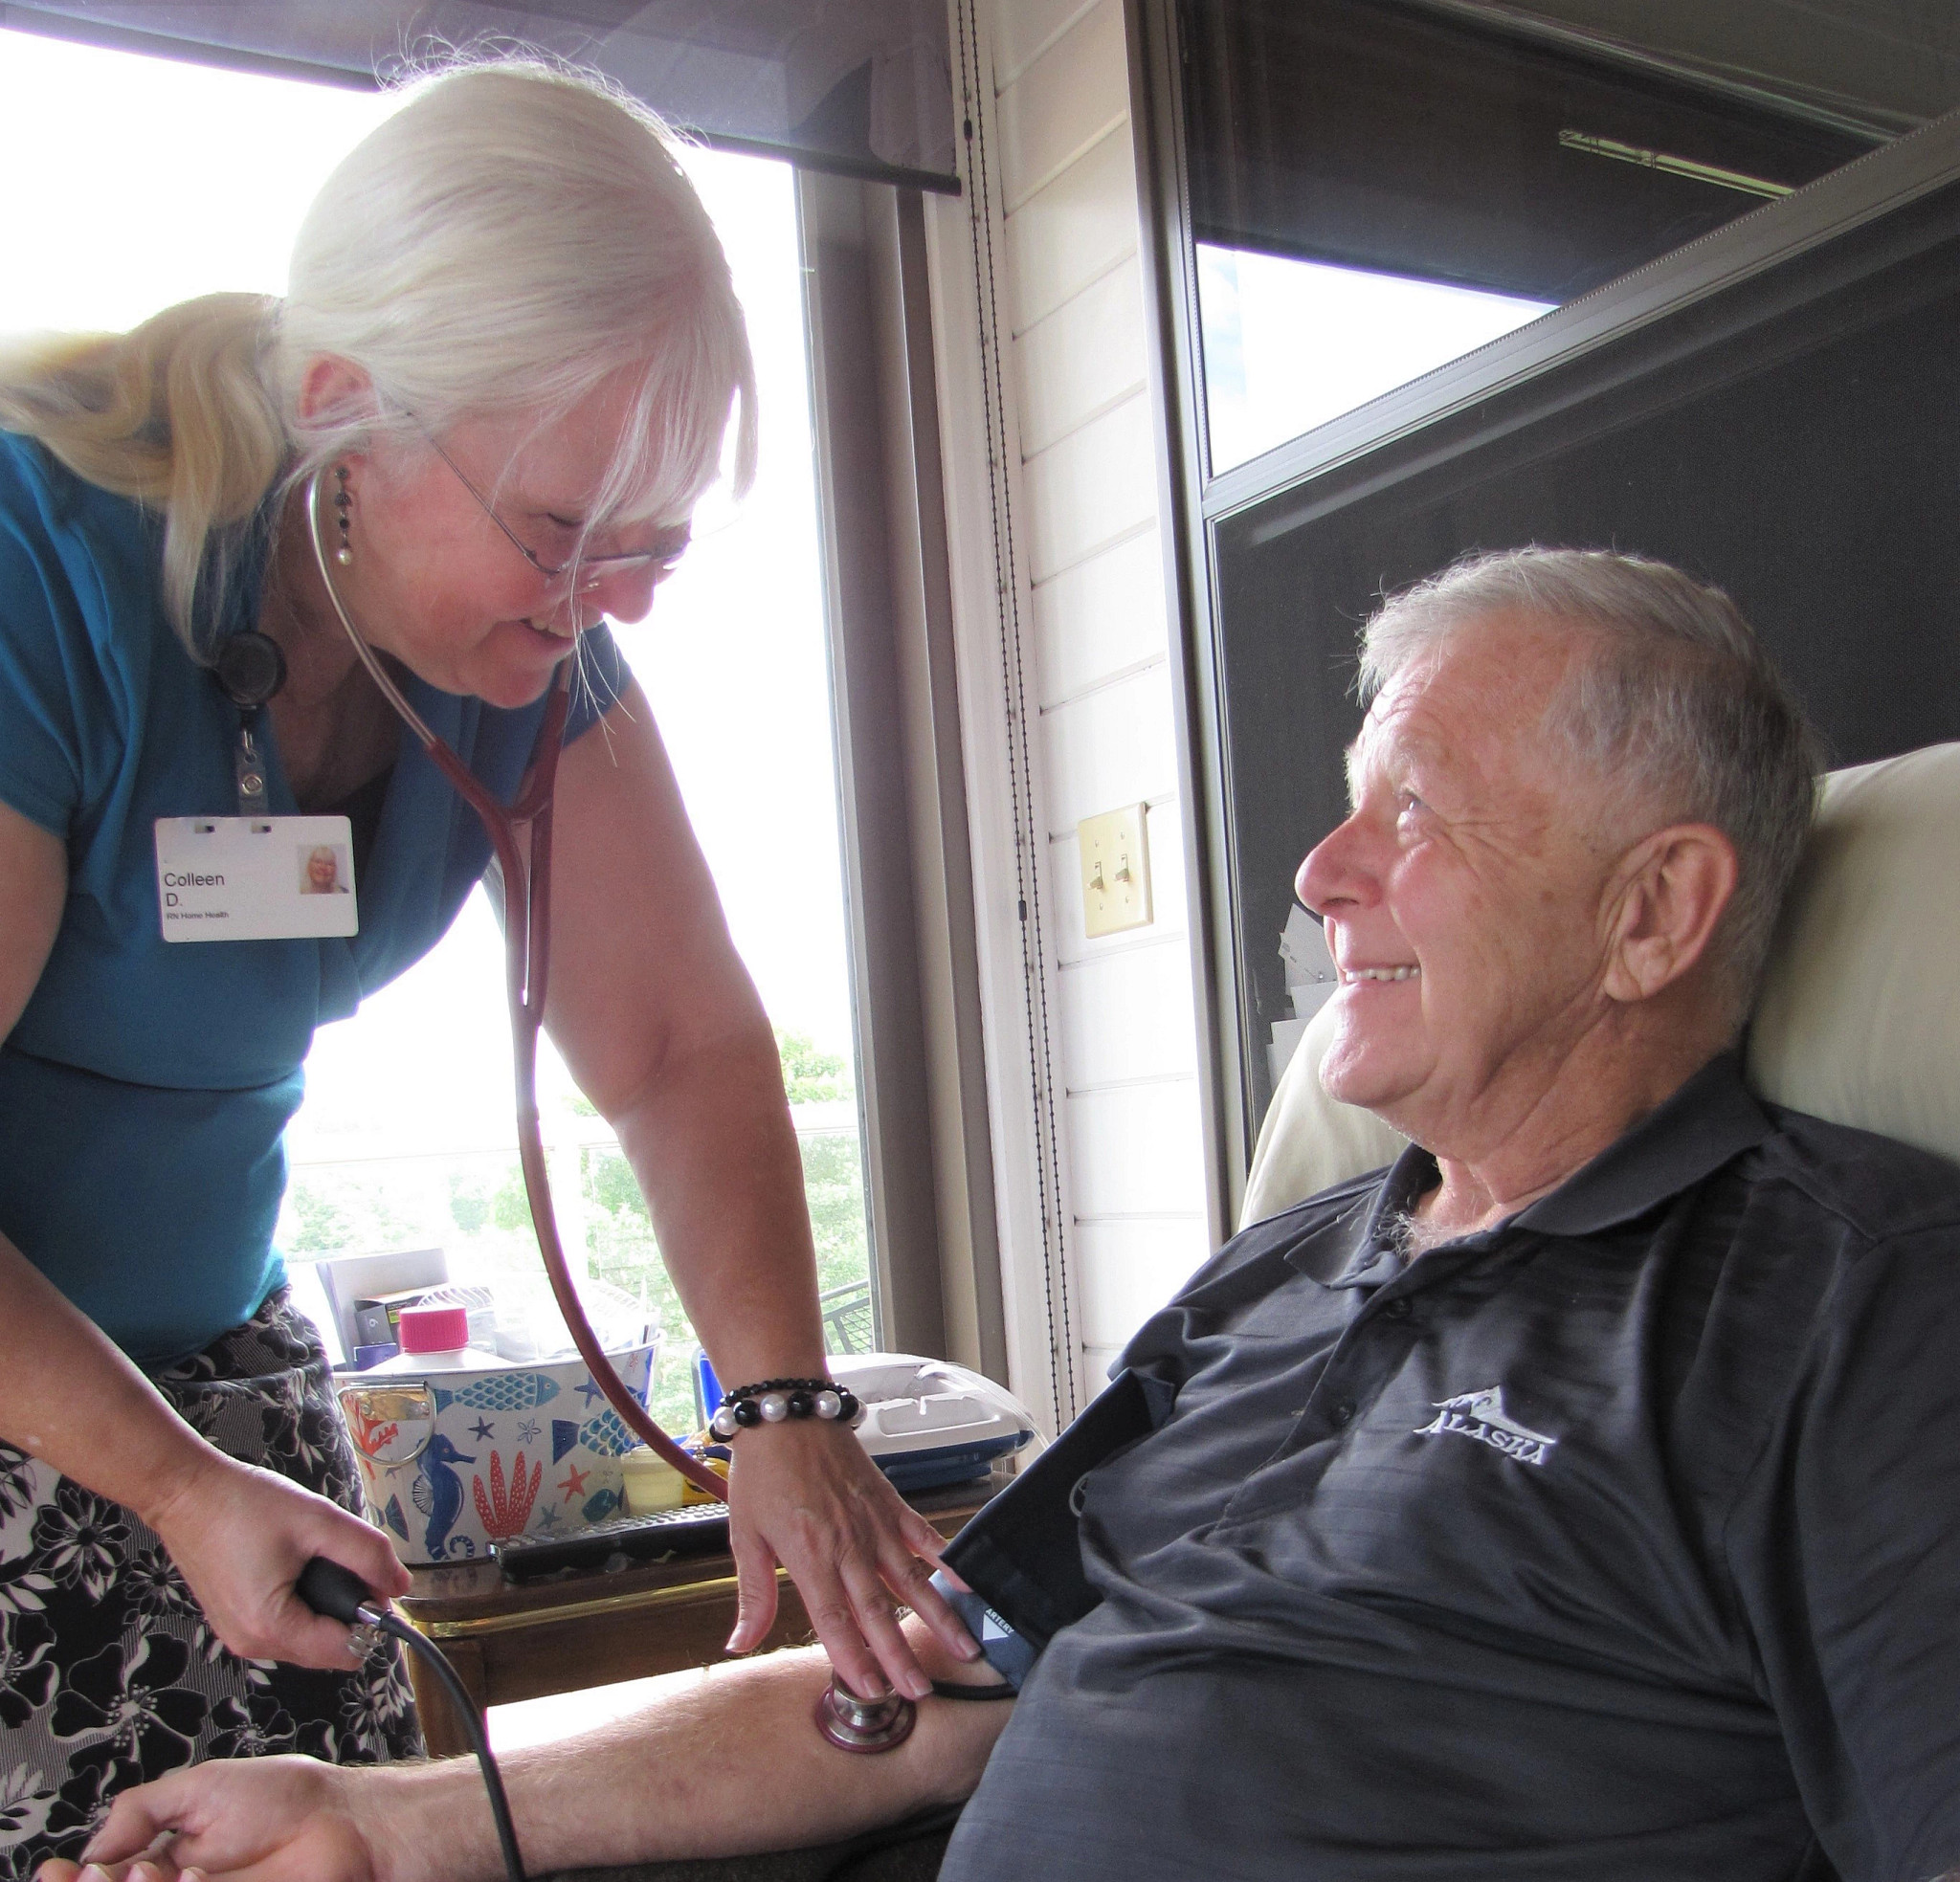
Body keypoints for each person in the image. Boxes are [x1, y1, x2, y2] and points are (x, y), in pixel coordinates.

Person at [50, 545, 1960, 1882]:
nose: (1318, 871)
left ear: (1654, 915)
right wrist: (373, 1823)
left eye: (1417, 819)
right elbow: (925, 1690)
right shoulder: (1284, 1275)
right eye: (1343, 806)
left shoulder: (1854, 1305)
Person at [0, 56, 975, 1874]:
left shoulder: (533, 659)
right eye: (558, 533)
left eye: (656, 546)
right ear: (344, 415)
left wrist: (780, 1405)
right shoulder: (34, 582)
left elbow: (679, 1044)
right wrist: (164, 1483)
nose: (607, 600)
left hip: (230, 1412)